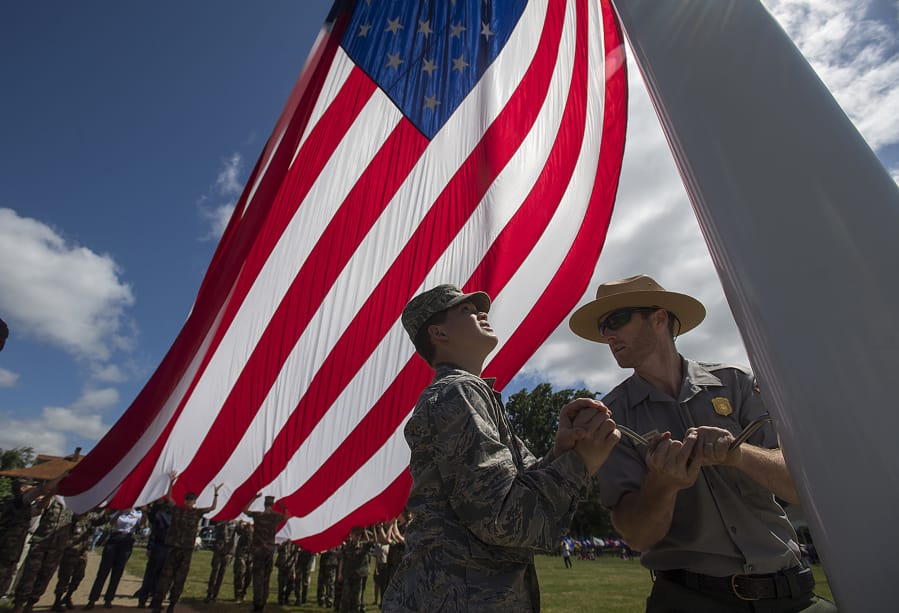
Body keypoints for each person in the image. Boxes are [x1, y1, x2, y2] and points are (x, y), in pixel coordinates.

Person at [569, 274, 838, 612]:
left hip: (792, 594)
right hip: (692, 599)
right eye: (602, 327)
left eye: (616, 320)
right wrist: (663, 485)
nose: (607, 334)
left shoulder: (736, 383)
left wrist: (738, 456)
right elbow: (637, 536)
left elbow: (800, 489)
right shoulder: (613, 418)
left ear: (659, 318)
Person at [382, 284, 620, 612]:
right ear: (438, 332)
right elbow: (500, 518)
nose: (481, 313)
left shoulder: (470, 393)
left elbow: (511, 489)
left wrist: (563, 450)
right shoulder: (459, 392)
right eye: (465, 310)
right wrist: (579, 463)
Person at [149, 472, 221, 613]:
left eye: (191, 500)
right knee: (165, 577)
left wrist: (216, 494)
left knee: (180, 578)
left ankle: (172, 604)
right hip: (173, 548)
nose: (189, 501)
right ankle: (157, 603)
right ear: (185, 500)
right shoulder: (177, 510)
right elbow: (169, 498)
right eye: (188, 499)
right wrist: (171, 482)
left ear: (194, 501)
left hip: (186, 550)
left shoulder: (197, 513)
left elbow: (212, 508)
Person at [11, 482, 74, 613]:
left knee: (45, 576)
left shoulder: (73, 505)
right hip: (41, 543)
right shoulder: (53, 499)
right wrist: (51, 494)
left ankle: (31, 603)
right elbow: (40, 507)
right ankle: (19, 604)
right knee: (29, 574)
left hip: (57, 547)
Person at [84, 507, 143, 610]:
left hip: (127, 541)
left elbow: (142, 526)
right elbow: (111, 524)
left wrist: (145, 512)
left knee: (117, 572)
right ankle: (92, 599)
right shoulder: (118, 511)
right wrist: (120, 512)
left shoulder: (138, 514)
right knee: (103, 571)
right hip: (114, 539)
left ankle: (108, 599)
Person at [242, 493, 290, 613]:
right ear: (272, 505)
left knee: (257, 577)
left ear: (264, 505)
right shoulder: (275, 516)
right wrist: (284, 507)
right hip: (269, 551)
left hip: (258, 550)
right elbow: (287, 516)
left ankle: (257, 604)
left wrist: (253, 497)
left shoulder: (258, 515)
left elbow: (245, 510)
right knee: (266, 578)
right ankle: (263, 603)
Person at [0, 479, 48, 598]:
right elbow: (41, 490)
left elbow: (38, 509)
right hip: (8, 546)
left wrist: (51, 494)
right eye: (30, 485)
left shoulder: (23, 505)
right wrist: (61, 477)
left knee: (10, 572)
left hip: (15, 545)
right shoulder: (16, 501)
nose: (33, 487)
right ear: (22, 488)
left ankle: (5, 593)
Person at [51, 510, 106, 611]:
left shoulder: (90, 516)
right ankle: (57, 601)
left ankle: (68, 597)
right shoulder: (73, 513)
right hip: (70, 551)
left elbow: (100, 521)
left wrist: (106, 511)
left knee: (79, 576)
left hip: (82, 552)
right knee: (64, 577)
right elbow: (73, 521)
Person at [135, 498, 172, 608]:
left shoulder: (174, 515)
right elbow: (153, 522)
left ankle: (155, 601)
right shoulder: (160, 514)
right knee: (151, 574)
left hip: (168, 548)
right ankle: (143, 599)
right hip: (159, 546)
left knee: (162, 577)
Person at [204, 519, 236, 604]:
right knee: (214, 572)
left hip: (228, 552)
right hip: (219, 552)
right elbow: (219, 532)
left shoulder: (234, 526)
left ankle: (215, 595)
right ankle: (210, 593)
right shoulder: (221, 525)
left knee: (221, 574)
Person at [232, 520, 254, 603]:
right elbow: (238, 530)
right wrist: (241, 523)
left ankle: (244, 593)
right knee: (240, 573)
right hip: (242, 553)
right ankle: (238, 595)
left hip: (251, 554)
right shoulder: (243, 527)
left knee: (249, 575)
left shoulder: (257, 526)